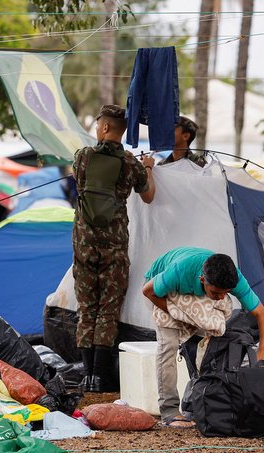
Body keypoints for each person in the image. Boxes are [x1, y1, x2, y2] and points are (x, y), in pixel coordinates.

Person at [73, 104, 156, 393]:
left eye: (98, 125)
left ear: (105, 128)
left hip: (84, 245)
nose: (97, 129)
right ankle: (99, 377)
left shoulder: (83, 157)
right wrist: (147, 167)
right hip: (115, 247)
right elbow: (148, 196)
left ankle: (85, 375)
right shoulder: (131, 163)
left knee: (87, 308)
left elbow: (78, 182)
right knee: (108, 310)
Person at [142, 247, 264, 428]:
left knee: (211, 331)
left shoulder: (235, 279)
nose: (220, 297)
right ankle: (169, 410)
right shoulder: (179, 271)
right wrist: (179, 315)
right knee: (169, 345)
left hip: (193, 296)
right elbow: (148, 291)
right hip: (160, 293)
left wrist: (263, 350)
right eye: (216, 293)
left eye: (225, 293)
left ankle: (202, 396)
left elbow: (262, 314)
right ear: (202, 280)